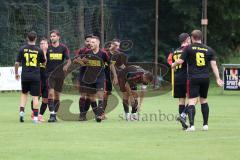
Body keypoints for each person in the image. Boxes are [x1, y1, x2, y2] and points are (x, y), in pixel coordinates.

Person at [171, 29, 223, 131]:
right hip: (205, 78)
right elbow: (214, 65)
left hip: (193, 78)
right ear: (201, 37)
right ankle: (205, 125)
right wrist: (218, 78)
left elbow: (181, 60)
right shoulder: (209, 49)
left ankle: (192, 126)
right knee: (203, 100)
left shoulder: (188, 48)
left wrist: (173, 64)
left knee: (191, 101)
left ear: (192, 38)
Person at [15, 31, 45, 123]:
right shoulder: (39, 50)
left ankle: (21, 112)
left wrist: (16, 73)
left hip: (25, 76)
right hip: (35, 76)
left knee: (24, 94)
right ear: (36, 38)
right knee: (35, 97)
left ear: (27, 38)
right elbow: (43, 63)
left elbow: (16, 63)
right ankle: (35, 118)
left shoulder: (22, 49)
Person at [46, 29, 71, 123]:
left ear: (58, 37)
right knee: (51, 93)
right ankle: (52, 114)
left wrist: (66, 66)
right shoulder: (47, 48)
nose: (52, 38)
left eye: (54, 36)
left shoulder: (63, 48)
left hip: (60, 75)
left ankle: (54, 114)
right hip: (49, 75)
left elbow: (69, 60)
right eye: (51, 36)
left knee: (57, 96)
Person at [171, 33, 191, 130]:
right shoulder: (188, 49)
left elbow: (173, 66)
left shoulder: (175, 51)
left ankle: (183, 124)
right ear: (187, 39)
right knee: (193, 99)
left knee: (181, 100)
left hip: (177, 77)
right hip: (186, 77)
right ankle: (183, 115)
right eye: (189, 39)